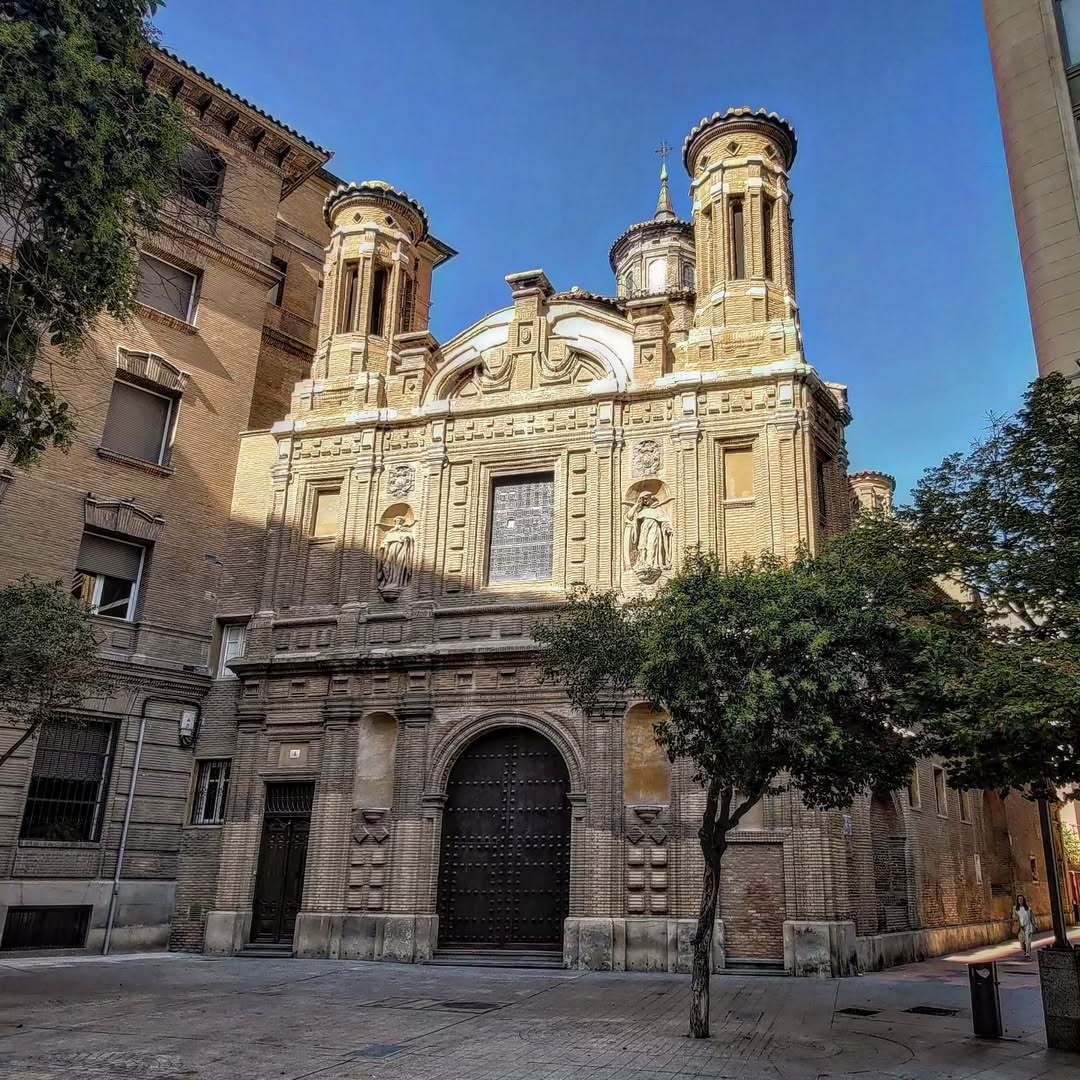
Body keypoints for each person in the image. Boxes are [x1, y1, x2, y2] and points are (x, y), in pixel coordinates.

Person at [1014, 894, 1037, 959]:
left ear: (1023, 900)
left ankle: (1028, 953)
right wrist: (1015, 917)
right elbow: (1013, 916)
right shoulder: (1015, 908)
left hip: (1028, 926)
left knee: (1028, 941)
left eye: (1021, 899)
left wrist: (1035, 924)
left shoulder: (1028, 908)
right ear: (1017, 900)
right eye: (1019, 899)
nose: (1020, 900)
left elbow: (1032, 917)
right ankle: (1025, 950)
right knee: (1022, 942)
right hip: (1020, 927)